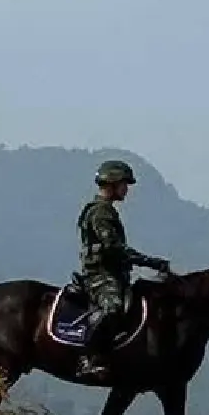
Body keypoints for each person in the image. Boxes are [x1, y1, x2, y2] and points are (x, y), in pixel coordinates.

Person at [73, 159, 172, 381]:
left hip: (114, 273)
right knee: (113, 308)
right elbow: (113, 248)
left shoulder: (106, 210)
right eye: (123, 184)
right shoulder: (101, 212)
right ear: (112, 183)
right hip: (101, 275)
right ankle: (88, 358)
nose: (126, 189)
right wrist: (149, 261)